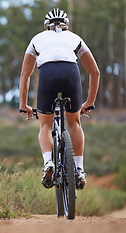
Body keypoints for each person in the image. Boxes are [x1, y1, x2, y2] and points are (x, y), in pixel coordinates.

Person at [19, 8, 100, 189]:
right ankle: (79, 169)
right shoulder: (74, 37)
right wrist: (90, 102)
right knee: (74, 123)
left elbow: (25, 75)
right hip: (71, 72)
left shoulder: (37, 39)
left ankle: (48, 162)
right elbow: (95, 72)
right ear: (66, 26)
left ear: (46, 26)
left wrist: (23, 105)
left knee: (46, 125)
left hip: (47, 75)